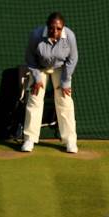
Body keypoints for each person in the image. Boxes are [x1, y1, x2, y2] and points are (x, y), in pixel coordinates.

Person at [21, 12, 78, 153]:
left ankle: (70, 141)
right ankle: (29, 139)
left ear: (63, 27)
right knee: (34, 99)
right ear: (47, 26)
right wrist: (37, 78)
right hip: (39, 68)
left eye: (59, 28)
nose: (55, 31)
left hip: (61, 69)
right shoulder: (36, 35)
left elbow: (72, 60)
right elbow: (30, 59)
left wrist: (65, 82)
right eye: (52, 28)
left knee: (65, 100)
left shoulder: (69, 36)